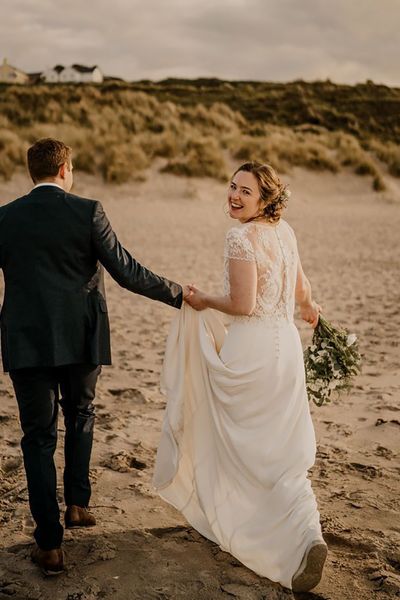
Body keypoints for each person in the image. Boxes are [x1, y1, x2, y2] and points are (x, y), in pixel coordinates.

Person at [0, 138, 189, 576]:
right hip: (81, 338)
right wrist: (178, 294)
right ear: (66, 168)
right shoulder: (88, 211)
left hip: (26, 341)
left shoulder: (5, 217)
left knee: (37, 437)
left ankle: (49, 545)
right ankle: (78, 506)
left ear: (33, 172)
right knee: (82, 414)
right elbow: (127, 270)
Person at [153, 161, 328, 593]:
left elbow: (242, 304)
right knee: (280, 446)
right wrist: (308, 310)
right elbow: (302, 288)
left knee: (238, 442)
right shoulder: (285, 232)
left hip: (251, 350)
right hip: (286, 349)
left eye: (245, 191)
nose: (233, 195)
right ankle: (308, 533)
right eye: (232, 186)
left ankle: (251, 525)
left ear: (265, 199)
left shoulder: (240, 237)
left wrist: (201, 299)